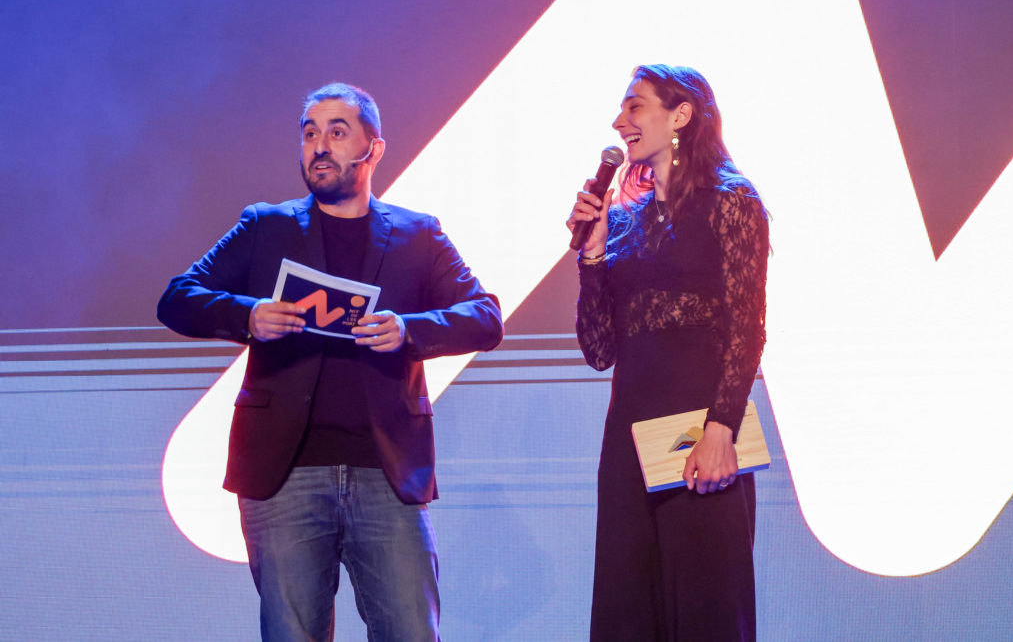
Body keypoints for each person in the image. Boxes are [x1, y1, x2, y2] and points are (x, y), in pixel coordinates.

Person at [157, 82, 503, 641]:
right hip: (285, 475)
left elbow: (485, 317)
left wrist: (408, 330)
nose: (319, 146)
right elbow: (177, 298)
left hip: (386, 473)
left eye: (337, 132)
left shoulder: (418, 234)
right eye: (309, 133)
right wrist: (249, 315)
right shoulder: (265, 226)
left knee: (412, 633)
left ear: (374, 148)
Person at [567, 65, 769, 641]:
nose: (619, 121)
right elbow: (599, 350)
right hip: (629, 437)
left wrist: (721, 429)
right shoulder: (625, 222)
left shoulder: (731, 201)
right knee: (628, 609)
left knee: (705, 606)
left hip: (700, 433)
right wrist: (593, 255)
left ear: (680, 115)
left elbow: (747, 325)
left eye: (635, 106)